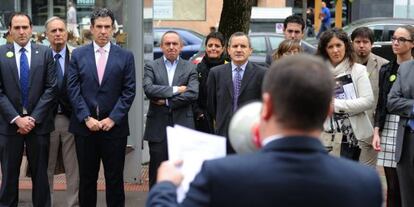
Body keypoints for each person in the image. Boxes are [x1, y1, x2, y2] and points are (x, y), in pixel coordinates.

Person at [146, 54, 383, 207]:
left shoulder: (220, 174)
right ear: (328, 112)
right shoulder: (364, 183)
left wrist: (165, 186)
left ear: (266, 107)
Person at [66, 8, 136, 207]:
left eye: (108, 27)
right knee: (87, 180)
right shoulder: (78, 55)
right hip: (85, 128)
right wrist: (86, 118)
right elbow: (73, 90)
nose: (104, 31)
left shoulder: (125, 56)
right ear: (91, 28)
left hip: (114, 129)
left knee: (114, 180)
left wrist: (112, 118)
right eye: (99, 27)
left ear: (113, 29)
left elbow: (129, 91)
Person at [0, 12, 57, 206]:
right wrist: (17, 118)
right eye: (17, 27)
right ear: (10, 30)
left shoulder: (45, 52)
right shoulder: (0, 53)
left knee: (41, 177)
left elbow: (52, 87)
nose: (21, 31)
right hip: (9, 126)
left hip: (38, 125)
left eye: (25, 27)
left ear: (32, 29)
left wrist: (33, 119)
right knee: (8, 176)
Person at [143, 31, 199, 189]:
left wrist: (167, 101)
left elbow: (192, 93)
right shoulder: (151, 66)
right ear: (161, 46)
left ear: (181, 47)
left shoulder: (190, 67)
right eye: (167, 44)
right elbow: (149, 89)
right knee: (157, 173)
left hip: (183, 125)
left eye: (175, 44)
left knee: (183, 173)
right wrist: (176, 89)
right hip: (157, 128)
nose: (171, 47)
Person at [317, 28, 374, 161]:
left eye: (338, 45)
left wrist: (334, 104)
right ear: (325, 49)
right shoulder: (317, 70)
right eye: (330, 46)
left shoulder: (358, 70)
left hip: (350, 135)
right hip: (322, 133)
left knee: (345, 177)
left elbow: (368, 101)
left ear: (346, 46)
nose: (335, 50)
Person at [373, 25, 414, 207]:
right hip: (392, 127)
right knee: (394, 185)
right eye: (394, 38)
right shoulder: (388, 69)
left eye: (401, 39)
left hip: (405, 126)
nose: (396, 43)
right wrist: (377, 130)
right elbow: (385, 102)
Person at [207, 32, 266, 154]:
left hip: (250, 134)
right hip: (223, 135)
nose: (239, 50)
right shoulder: (216, 73)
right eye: (235, 46)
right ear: (228, 50)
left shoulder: (262, 74)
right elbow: (211, 106)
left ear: (250, 50)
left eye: (243, 46)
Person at [44, 16, 79, 207]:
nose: (58, 34)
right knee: (46, 167)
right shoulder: (40, 55)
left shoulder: (77, 55)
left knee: (74, 167)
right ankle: (46, 202)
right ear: (47, 35)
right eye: (53, 31)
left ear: (67, 32)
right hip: (46, 119)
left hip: (71, 119)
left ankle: (73, 203)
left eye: (61, 30)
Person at [350, 27, 389, 167]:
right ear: (352, 43)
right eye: (357, 41)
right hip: (348, 126)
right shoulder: (345, 64)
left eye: (365, 42)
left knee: (367, 168)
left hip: (370, 125)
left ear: (371, 44)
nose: (361, 45)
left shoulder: (383, 65)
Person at [385, 26, 414, 207]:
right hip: (408, 142)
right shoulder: (405, 69)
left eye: (401, 39)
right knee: (407, 199)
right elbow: (392, 102)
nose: (396, 42)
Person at [193, 31, 226, 133]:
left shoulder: (229, 68)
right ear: (206, 47)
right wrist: (198, 113)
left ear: (223, 48)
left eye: (217, 46)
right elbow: (192, 93)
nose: (213, 48)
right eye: (210, 45)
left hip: (224, 120)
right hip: (202, 122)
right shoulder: (197, 68)